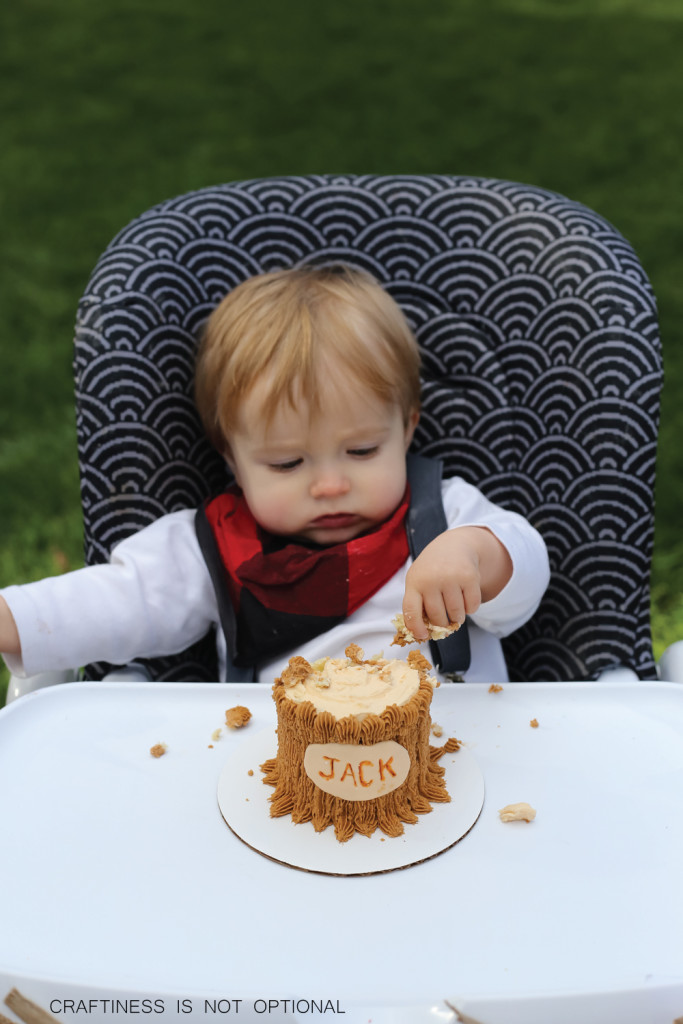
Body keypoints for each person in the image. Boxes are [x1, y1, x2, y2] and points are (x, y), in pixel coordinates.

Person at [0, 265, 549, 685]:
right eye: (287, 463)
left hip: (462, 767)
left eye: (361, 450)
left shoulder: (443, 516)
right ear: (231, 458)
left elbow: (524, 573)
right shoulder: (212, 548)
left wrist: (476, 557)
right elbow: (113, 603)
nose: (330, 484)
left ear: (406, 429)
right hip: (272, 779)